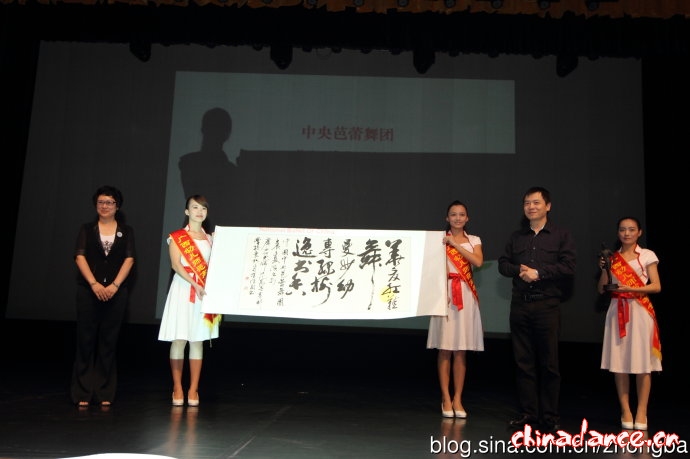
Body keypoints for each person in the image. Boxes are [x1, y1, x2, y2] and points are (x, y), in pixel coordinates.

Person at [498, 186, 576, 432]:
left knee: (549, 363)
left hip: (547, 305)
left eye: (536, 202)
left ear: (548, 206)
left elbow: (568, 267)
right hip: (520, 305)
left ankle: (550, 417)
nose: (531, 207)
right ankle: (528, 414)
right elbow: (503, 264)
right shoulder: (516, 237)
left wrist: (539, 273)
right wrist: (518, 269)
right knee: (523, 362)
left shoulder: (561, 235)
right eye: (526, 203)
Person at [71, 185, 136, 407]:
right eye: (100, 202)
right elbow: (79, 256)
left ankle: (104, 391)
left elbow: (129, 259)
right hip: (88, 291)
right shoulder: (87, 229)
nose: (104, 206)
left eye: (109, 202)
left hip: (116, 293)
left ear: (117, 206)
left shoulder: (126, 231)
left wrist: (115, 285)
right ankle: (82, 391)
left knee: (108, 341)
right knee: (85, 340)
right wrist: (94, 284)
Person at [598, 217, 661, 431]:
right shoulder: (612, 258)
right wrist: (605, 270)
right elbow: (601, 289)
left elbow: (656, 286)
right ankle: (625, 410)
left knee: (643, 364)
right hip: (616, 310)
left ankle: (642, 411)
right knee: (620, 363)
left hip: (640, 310)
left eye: (631, 229)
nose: (627, 233)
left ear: (639, 232)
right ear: (618, 233)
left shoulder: (647, 255)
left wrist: (631, 289)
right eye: (623, 229)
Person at [158, 195, 221, 407]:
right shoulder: (177, 237)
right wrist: (194, 284)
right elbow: (176, 265)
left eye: (203, 208)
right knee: (179, 338)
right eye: (195, 207)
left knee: (197, 339)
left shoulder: (211, 239)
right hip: (183, 289)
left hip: (204, 293)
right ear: (187, 212)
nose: (199, 211)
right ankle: (177, 387)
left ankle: (193, 389)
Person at [427, 200, 484, 419]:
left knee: (461, 350)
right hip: (445, 295)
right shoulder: (439, 240)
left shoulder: (474, 240)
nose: (457, 218)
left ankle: (458, 398)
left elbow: (478, 262)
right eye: (453, 214)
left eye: (461, 214)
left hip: (466, 295)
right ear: (447, 218)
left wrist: (455, 244)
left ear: (467, 218)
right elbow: (433, 268)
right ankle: (445, 397)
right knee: (445, 349)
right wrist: (441, 290)